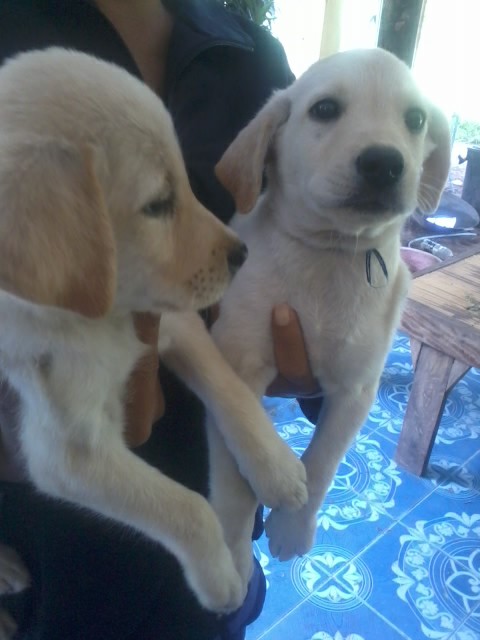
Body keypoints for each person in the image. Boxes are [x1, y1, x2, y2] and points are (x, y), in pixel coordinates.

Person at [0, 1, 321, 639]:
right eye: (159, 202)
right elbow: (61, 449)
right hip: (55, 582)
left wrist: (317, 366)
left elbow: (184, 312)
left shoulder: (252, 60)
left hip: (211, 555)